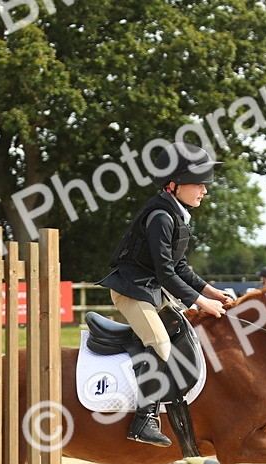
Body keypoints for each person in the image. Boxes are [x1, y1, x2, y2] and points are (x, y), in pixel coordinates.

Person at [98, 141, 231, 447]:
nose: (204, 191)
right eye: (199, 184)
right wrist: (201, 302)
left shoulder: (177, 213)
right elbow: (165, 273)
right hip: (131, 291)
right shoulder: (161, 217)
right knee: (158, 341)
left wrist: (212, 291)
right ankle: (143, 420)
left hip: (151, 290)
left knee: (184, 334)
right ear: (174, 185)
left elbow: (179, 266)